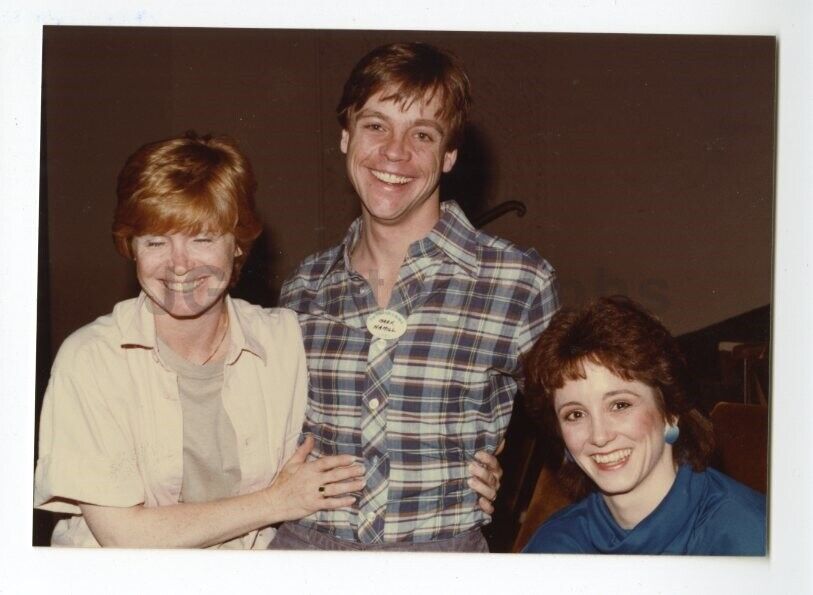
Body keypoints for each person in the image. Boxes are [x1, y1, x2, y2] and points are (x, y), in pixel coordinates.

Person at [273, 42, 559, 552]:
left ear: (449, 154)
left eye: (422, 134)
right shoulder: (302, 287)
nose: (395, 152)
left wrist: (506, 471)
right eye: (376, 125)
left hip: (439, 557)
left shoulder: (518, 282)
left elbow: (574, 421)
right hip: (307, 550)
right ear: (346, 136)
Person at [33, 132, 367, 548]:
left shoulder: (285, 340)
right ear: (131, 247)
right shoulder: (91, 359)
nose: (179, 264)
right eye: (155, 241)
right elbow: (124, 536)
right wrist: (277, 502)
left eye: (202, 238)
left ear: (238, 245)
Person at [521, 296, 766, 555]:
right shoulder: (554, 546)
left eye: (620, 405)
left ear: (670, 411)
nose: (599, 436)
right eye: (575, 414)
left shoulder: (747, 535)